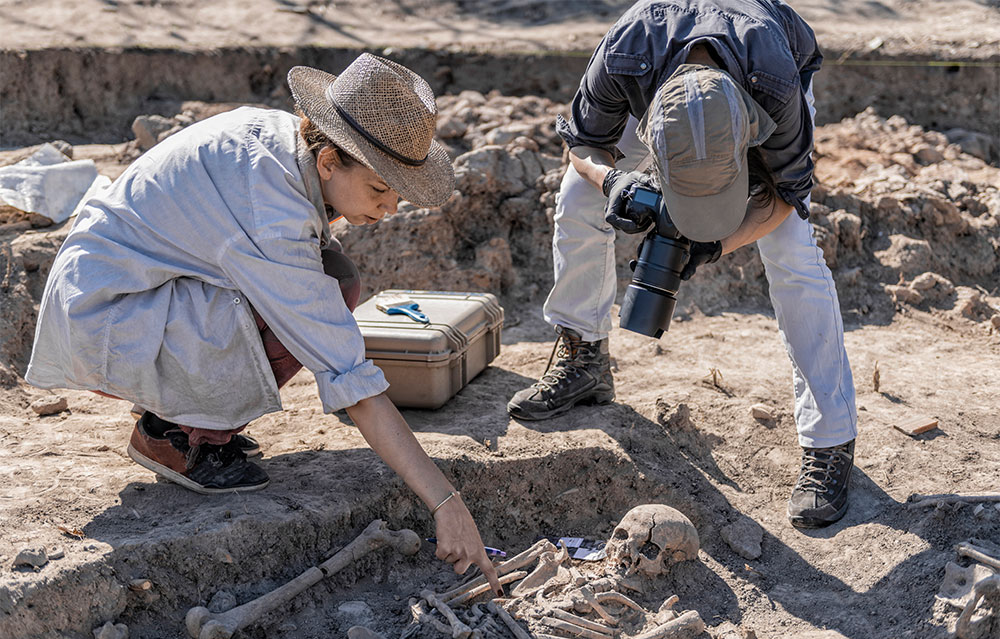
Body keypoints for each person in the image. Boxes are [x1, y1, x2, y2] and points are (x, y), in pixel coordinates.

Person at [27, 54, 502, 593]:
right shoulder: (270, 211)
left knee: (333, 278)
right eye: (377, 190)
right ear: (328, 160)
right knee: (303, 306)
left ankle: (184, 411)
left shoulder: (282, 141)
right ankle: (177, 437)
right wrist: (446, 501)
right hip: (104, 314)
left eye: (397, 193)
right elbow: (350, 378)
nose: (389, 208)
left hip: (131, 290)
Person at [507, 0, 858, 529]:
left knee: (792, 251)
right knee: (577, 200)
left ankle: (830, 440)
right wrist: (615, 182)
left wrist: (718, 244)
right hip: (659, 84)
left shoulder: (776, 89)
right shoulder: (625, 53)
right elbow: (583, 143)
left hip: (756, 76)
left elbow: (787, 194)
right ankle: (584, 358)